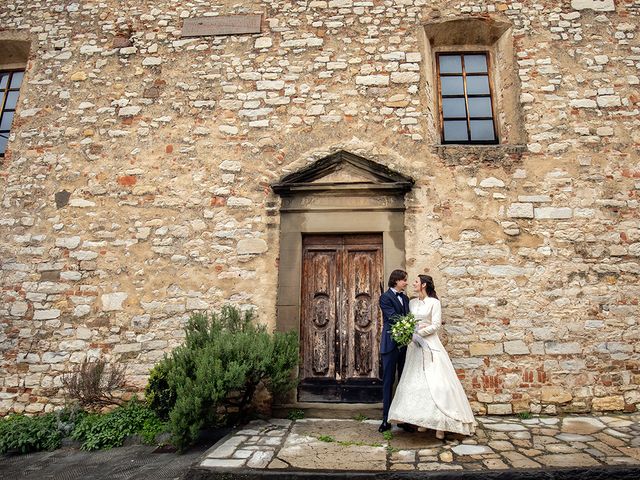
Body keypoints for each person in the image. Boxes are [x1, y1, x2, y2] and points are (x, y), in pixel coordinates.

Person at [387, 274, 476, 439]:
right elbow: (408, 320)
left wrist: (419, 332)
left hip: (430, 345)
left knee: (436, 382)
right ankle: (422, 421)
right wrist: (409, 332)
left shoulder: (434, 303)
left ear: (424, 285)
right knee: (415, 382)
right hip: (414, 347)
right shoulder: (411, 302)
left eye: (416, 282)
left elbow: (435, 325)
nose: (413, 283)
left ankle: (441, 425)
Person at [378, 269, 410, 433]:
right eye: (404, 280)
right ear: (396, 281)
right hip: (390, 345)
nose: (406, 282)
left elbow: (408, 315)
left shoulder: (405, 298)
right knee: (388, 382)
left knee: (404, 381)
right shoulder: (385, 297)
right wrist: (410, 324)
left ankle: (403, 419)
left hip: (404, 345)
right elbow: (392, 317)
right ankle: (386, 420)